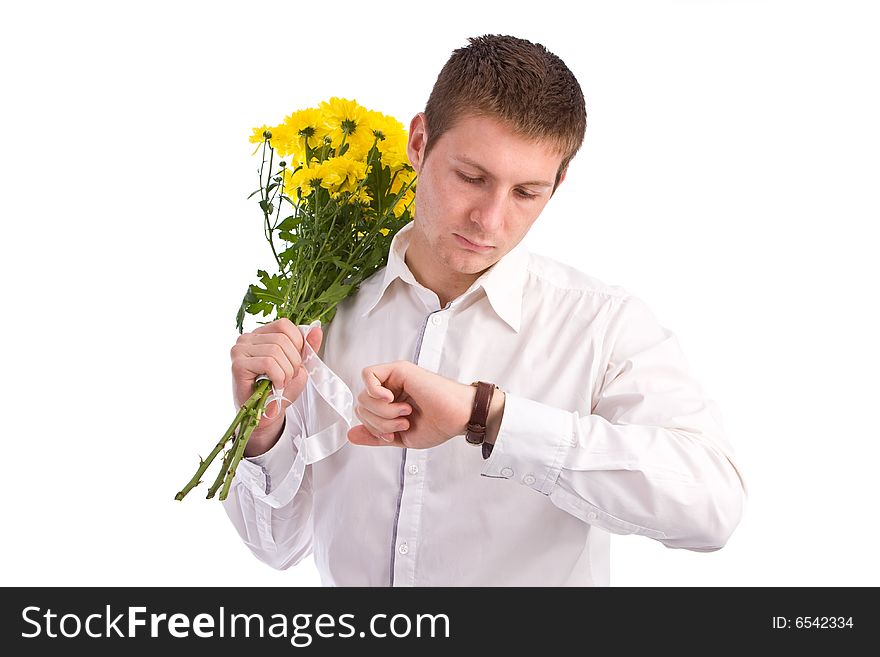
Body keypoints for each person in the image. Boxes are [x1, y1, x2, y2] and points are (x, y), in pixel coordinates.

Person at [222, 34, 747, 586]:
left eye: (526, 192)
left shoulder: (603, 325)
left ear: (558, 183)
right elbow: (275, 546)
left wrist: (488, 417)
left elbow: (712, 508)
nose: (490, 220)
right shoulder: (326, 313)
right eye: (472, 178)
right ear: (419, 142)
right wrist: (262, 434)